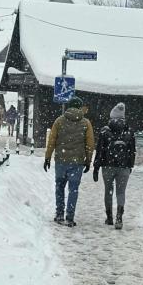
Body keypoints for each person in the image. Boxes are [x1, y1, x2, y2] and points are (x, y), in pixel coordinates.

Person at [44, 96, 94, 227]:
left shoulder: (59, 121)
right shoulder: (86, 123)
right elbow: (90, 144)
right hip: (77, 162)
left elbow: (52, 141)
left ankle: (59, 213)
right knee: (74, 189)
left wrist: (47, 157)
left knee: (59, 187)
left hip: (61, 160)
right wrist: (88, 160)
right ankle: (70, 216)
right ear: (80, 107)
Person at [93, 103, 136, 230]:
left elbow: (99, 150)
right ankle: (119, 217)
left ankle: (109, 217)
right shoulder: (129, 131)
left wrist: (96, 167)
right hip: (124, 167)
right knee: (121, 192)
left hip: (108, 166)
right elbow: (133, 151)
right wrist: (130, 165)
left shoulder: (105, 131)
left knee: (108, 191)